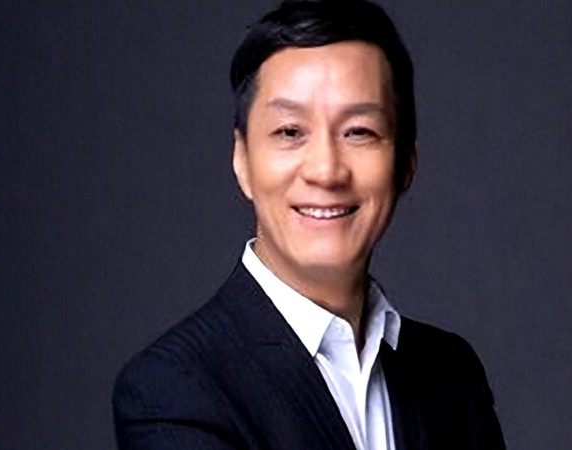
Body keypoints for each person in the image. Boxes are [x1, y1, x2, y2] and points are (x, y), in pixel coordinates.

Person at [112, 1, 506, 449]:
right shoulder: (172, 388)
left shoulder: (451, 374)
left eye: (359, 132)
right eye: (290, 132)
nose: (326, 170)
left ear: (406, 163)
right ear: (242, 159)